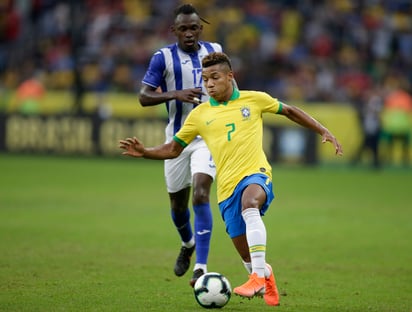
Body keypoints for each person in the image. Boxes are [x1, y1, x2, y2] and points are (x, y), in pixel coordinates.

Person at [121, 52, 343, 306]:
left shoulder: (255, 99)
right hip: (226, 190)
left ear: (230, 77)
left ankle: (258, 277)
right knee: (249, 256)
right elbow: (173, 149)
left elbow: (289, 111)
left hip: (256, 174)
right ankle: (263, 276)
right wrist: (145, 152)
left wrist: (322, 130)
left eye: (215, 77)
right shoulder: (200, 115)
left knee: (250, 204)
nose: (209, 84)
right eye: (205, 79)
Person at [137, 4, 223, 286]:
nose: (189, 33)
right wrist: (176, 94)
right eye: (183, 28)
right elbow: (144, 97)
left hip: (207, 138)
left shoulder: (214, 51)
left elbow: (228, 87)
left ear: (201, 28)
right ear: (174, 31)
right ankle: (187, 244)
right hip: (177, 138)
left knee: (201, 194)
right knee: (177, 205)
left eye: (194, 28)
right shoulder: (162, 58)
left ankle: (201, 267)